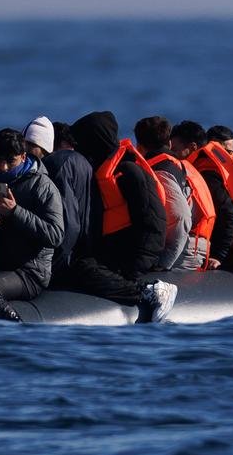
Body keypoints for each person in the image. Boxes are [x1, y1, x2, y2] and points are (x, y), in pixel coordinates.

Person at [64, 111, 176, 323]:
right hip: (113, 252)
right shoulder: (100, 169)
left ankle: (151, 292)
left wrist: (137, 266)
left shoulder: (128, 171)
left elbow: (155, 221)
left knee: (83, 271)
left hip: (131, 258)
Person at [0, 129, 64, 321]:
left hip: (30, 272)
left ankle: (18, 330)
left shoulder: (42, 186)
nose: (3, 167)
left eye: (10, 161)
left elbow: (55, 235)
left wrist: (15, 212)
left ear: (23, 156)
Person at [134, 116, 214, 271]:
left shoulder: (161, 171)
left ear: (139, 147)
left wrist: (163, 264)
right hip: (193, 245)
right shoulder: (176, 165)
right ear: (169, 143)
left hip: (183, 251)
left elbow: (180, 217)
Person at [172, 121, 233, 270]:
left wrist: (219, 255)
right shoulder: (204, 168)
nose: (173, 154)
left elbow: (229, 211)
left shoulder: (207, 173)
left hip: (221, 251)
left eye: (175, 149)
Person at [43, 121, 93, 282]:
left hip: (67, 257)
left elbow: (69, 220)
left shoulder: (57, 164)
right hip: (85, 249)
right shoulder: (86, 162)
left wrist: (56, 265)